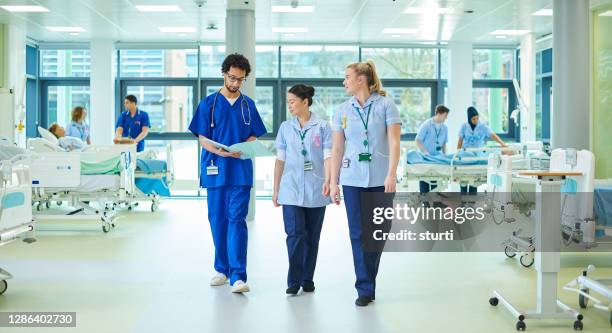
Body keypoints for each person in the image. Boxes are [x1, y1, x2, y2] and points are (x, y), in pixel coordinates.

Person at [188, 53, 267, 294]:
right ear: (224, 74)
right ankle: (221, 269)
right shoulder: (208, 104)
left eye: (240, 80)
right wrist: (220, 152)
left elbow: (254, 135)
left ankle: (238, 276)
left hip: (240, 171)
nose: (235, 83)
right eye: (232, 78)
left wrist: (242, 147)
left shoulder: (248, 105)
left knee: (237, 220)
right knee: (217, 220)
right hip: (215, 169)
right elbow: (202, 138)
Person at [329, 60, 401, 306]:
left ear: (361, 79)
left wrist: (392, 174)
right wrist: (333, 181)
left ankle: (368, 279)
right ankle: (364, 287)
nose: (344, 81)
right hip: (352, 179)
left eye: (347, 76)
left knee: (377, 232)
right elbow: (337, 148)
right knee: (358, 233)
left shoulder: (386, 105)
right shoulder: (342, 110)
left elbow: (394, 143)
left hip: (381, 178)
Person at [273, 84, 332, 296]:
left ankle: (308, 278)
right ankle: (294, 280)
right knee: (295, 234)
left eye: (292, 101)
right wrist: (275, 189)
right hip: (290, 189)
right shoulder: (285, 128)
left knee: (312, 237)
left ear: (305, 102)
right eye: (288, 101)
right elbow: (280, 160)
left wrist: (331, 181)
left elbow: (328, 157)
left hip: (317, 189)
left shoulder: (323, 127)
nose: (289, 105)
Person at [457, 106, 507, 193]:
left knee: (474, 179)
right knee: (464, 179)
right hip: (466, 153)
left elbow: (493, 135)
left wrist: (503, 144)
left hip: (477, 155)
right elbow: (460, 141)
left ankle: (471, 202)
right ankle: (463, 201)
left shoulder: (482, 126)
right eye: (473, 119)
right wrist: (457, 154)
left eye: (477, 118)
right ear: (469, 119)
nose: (476, 121)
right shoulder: (464, 126)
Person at [415, 104, 450, 193]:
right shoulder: (427, 125)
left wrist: (445, 155)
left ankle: (436, 202)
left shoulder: (444, 128)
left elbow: (443, 144)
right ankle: (425, 202)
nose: (446, 118)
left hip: (437, 157)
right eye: (445, 116)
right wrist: (425, 152)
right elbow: (418, 140)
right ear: (439, 114)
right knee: (425, 179)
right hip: (426, 157)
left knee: (436, 179)